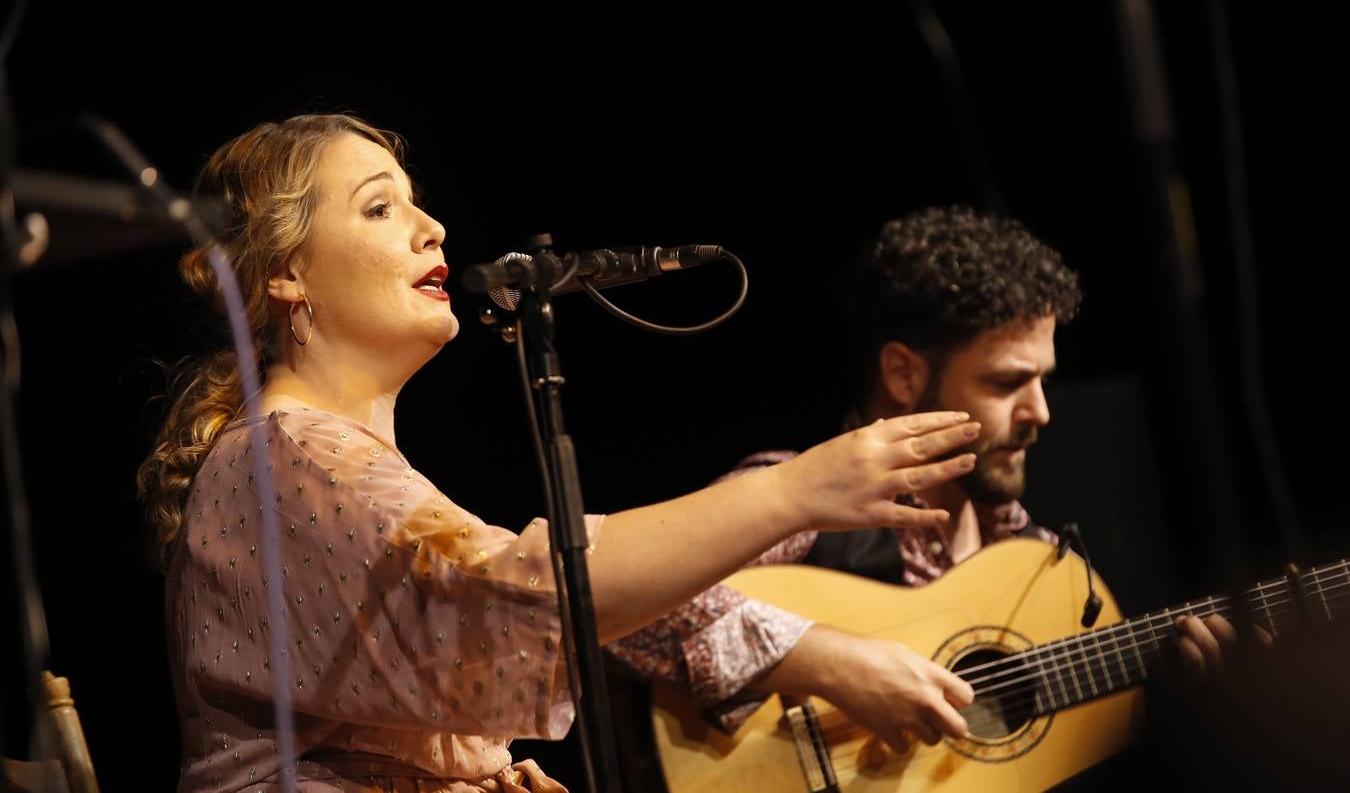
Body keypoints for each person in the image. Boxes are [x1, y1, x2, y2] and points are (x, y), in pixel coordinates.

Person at [134, 115, 985, 793]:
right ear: (286, 272)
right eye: (378, 207)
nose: (432, 228)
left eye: (416, 203)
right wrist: (800, 490)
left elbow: (431, 662)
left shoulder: (313, 458)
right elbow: (520, 595)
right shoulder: (288, 456)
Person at [607, 206, 1236, 740]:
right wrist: (824, 661)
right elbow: (617, 610)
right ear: (904, 373)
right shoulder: (794, 499)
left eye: (1042, 379)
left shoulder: (1041, 564)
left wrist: (1174, 710)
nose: (1040, 411)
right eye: (1006, 382)